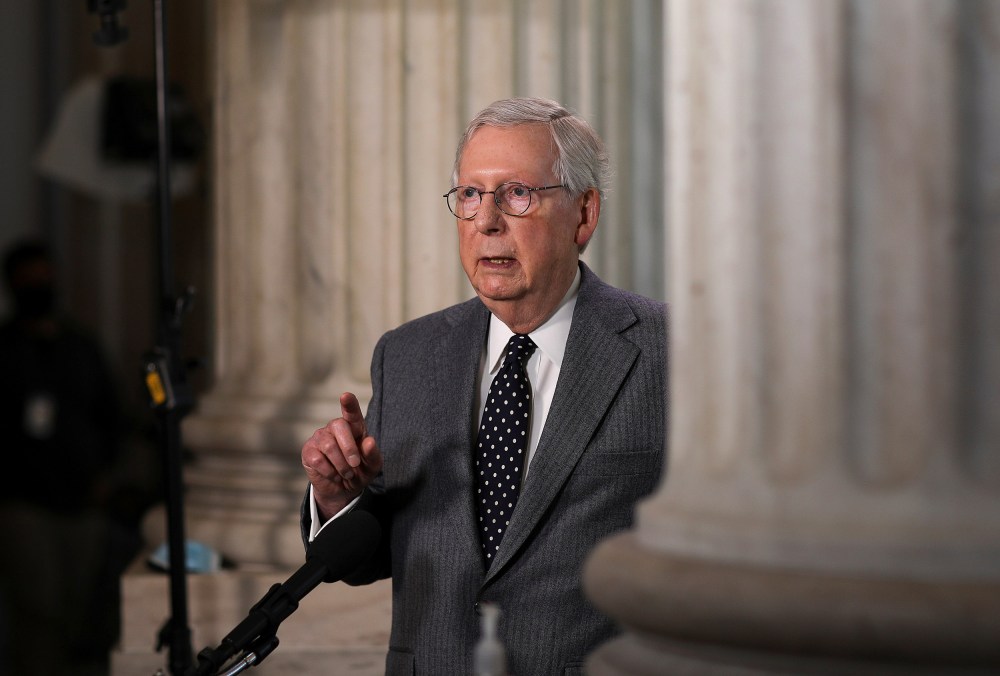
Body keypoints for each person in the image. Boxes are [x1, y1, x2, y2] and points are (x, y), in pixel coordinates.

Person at [300, 97, 667, 676]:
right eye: (471, 194)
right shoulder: (407, 355)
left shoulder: (667, 351)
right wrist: (337, 498)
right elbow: (374, 556)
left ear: (584, 214)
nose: (486, 221)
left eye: (517, 193)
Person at [0, 239, 141, 676]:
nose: (38, 286)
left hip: (84, 503)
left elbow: (113, 416)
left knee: (81, 612)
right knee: (38, 611)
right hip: (24, 504)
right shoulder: (5, 349)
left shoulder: (81, 346)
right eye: (28, 279)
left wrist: (108, 476)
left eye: (44, 277)